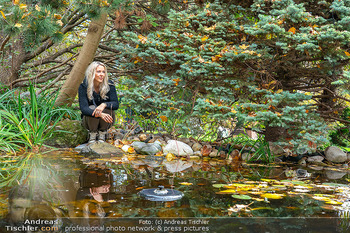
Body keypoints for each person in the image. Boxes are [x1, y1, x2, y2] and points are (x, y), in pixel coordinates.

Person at [78, 61, 119, 143]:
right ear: (92, 72)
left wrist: (104, 104)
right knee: (92, 108)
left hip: (106, 121)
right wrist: (100, 114)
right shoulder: (83, 86)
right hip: (89, 122)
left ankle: (102, 134)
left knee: (108, 108)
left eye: (103, 72)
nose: (102, 74)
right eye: (98, 71)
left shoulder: (110, 85)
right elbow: (84, 109)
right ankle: (92, 135)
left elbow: (116, 104)